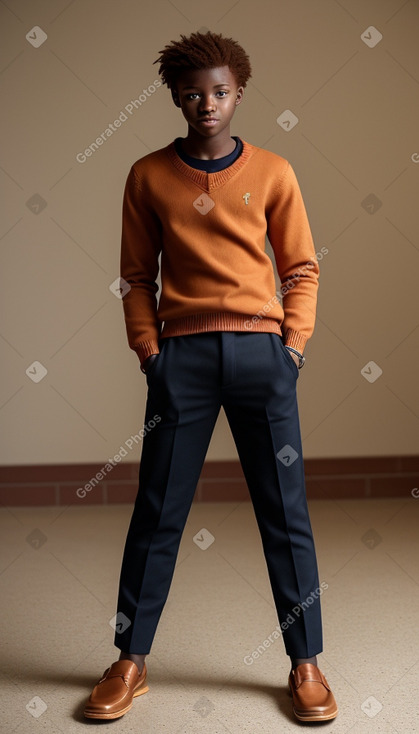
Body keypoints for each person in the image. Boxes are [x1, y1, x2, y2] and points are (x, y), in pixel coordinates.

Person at [83, 30, 338, 724]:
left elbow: (300, 268)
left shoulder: (275, 171)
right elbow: (136, 277)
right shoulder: (147, 175)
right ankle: (129, 660)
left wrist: (292, 348)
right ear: (175, 97)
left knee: (286, 516)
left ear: (238, 94)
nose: (207, 104)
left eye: (219, 92)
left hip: (262, 359)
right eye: (193, 93)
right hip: (182, 361)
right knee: (157, 512)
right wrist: (149, 353)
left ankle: (305, 663)